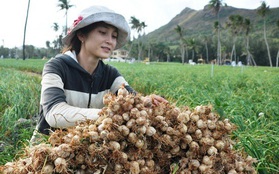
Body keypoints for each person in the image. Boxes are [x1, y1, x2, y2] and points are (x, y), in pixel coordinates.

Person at [30, 5, 167, 144]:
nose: (110, 41)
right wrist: (107, 115)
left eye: (114, 36)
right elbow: (55, 113)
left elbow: (132, 100)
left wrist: (146, 101)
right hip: (49, 148)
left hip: (86, 147)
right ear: (81, 35)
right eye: (102, 32)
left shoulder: (110, 74)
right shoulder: (57, 66)